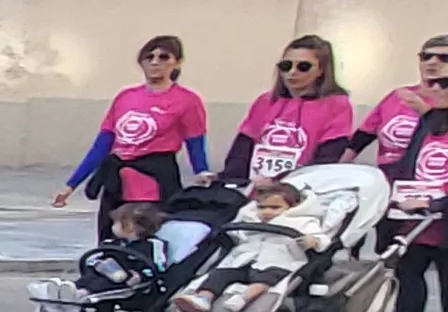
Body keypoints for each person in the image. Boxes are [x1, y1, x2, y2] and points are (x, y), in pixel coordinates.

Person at [55, 36, 209, 236]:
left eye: (163, 57)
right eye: (149, 57)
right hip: (118, 178)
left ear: (177, 62)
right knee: (110, 237)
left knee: (146, 238)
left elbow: (195, 142)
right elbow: (103, 144)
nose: (155, 62)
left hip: (154, 178)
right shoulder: (125, 97)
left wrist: (202, 172)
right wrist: (71, 185)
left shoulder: (187, 100)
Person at [367, 34, 448, 312]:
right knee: (406, 285)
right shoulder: (427, 120)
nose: (434, 80)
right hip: (415, 221)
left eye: (444, 79)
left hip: (440, 218)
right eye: (426, 58)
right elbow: (411, 163)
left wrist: (436, 201)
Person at [221, 34, 365, 187]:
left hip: (301, 189)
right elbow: (242, 149)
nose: (292, 72)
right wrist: (230, 182)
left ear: (321, 70)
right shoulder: (265, 101)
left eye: (303, 67)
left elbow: (328, 157)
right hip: (253, 188)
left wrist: (280, 182)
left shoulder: (337, 104)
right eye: (286, 66)